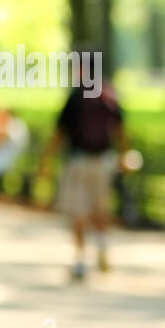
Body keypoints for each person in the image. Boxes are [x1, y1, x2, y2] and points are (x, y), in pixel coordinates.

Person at [36, 57, 129, 281]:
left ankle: (79, 260)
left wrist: (45, 162)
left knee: (78, 210)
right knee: (99, 207)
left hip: (78, 162)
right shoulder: (107, 96)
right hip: (104, 161)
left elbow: (59, 133)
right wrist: (125, 156)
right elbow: (121, 130)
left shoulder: (76, 97)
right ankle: (102, 245)